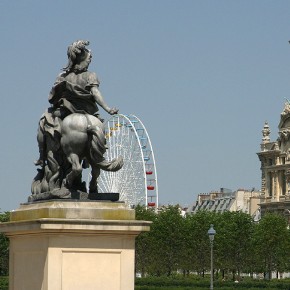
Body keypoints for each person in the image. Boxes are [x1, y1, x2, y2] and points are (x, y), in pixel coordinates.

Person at [35, 40, 118, 166]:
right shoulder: (91, 75)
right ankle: (91, 156)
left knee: (44, 120)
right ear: (82, 59)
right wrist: (108, 109)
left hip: (66, 110)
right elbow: (95, 93)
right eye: (89, 58)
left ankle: (42, 156)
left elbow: (53, 96)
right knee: (98, 125)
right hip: (88, 111)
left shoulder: (63, 76)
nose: (90, 61)